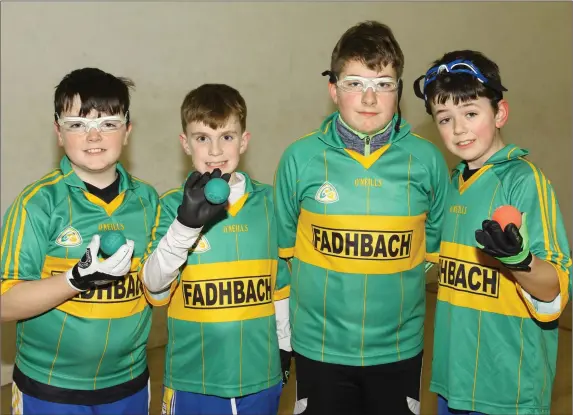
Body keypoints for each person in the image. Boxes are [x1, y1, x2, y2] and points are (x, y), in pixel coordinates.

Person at [273, 20, 450, 414]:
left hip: (399, 352)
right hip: (319, 350)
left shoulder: (428, 161)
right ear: (333, 89)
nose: (369, 98)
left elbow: (432, 252)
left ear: (399, 91)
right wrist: (283, 336)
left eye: (383, 84)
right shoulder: (299, 159)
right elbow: (283, 254)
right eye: (355, 83)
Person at [413, 49, 572, 415]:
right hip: (453, 384)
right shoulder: (450, 185)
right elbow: (423, 264)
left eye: (470, 113)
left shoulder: (524, 181)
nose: (458, 129)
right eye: (445, 118)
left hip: (509, 391)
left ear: (499, 113)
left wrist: (520, 261)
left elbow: (555, 290)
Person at [0, 67, 159, 414]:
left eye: (108, 123)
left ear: (127, 130)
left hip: (129, 384)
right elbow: (4, 304)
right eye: (77, 124)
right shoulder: (36, 205)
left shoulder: (149, 201)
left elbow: (158, 287)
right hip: (50, 390)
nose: (93, 136)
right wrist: (76, 279)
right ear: (58, 132)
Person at [140, 83, 291, 415]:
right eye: (202, 138)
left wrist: (284, 350)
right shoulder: (169, 207)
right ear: (185, 144)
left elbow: (279, 287)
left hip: (261, 377)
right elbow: (153, 284)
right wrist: (186, 225)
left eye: (227, 136)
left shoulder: (270, 203)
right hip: (193, 380)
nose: (214, 150)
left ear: (244, 141)